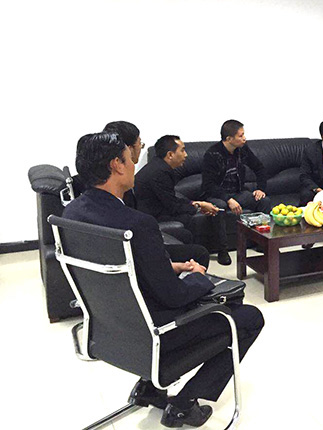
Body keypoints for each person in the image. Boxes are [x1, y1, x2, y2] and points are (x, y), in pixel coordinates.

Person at [64, 132, 264, 428]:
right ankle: (184, 404)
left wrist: (171, 266)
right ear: (116, 165)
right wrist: (199, 278)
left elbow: (128, 269)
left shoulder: (71, 213)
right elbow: (173, 297)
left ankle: (150, 389)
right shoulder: (136, 224)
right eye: (130, 158)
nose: (134, 164)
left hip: (107, 333)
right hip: (155, 334)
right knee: (247, 316)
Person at [72, 121, 210, 267]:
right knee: (198, 253)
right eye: (140, 144)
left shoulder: (74, 209)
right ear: (121, 158)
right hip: (138, 248)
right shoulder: (129, 208)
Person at [134, 135, 233, 265]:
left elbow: (171, 199)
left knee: (215, 207)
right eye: (182, 150)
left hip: (157, 208)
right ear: (170, 155)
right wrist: (198, 207)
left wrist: (197, 204)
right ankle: (193, 258)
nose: (186, 155)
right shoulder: (161, 172)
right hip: (152, 215)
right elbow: (172, 206)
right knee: (197, 216)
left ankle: (221, 251)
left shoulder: (158, 166)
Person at [201, 120, 272, 242]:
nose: (244, 138)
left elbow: (259, 168)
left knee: (264, 201)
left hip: (238, 192)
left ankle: (262, 243)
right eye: (241, 136)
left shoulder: (242, 149)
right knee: (220, 207)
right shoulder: (212, 154)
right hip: (217, 195)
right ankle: (222, 248)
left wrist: (260, 189)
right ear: (229, 139)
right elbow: (208, 185)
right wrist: (228, 199)